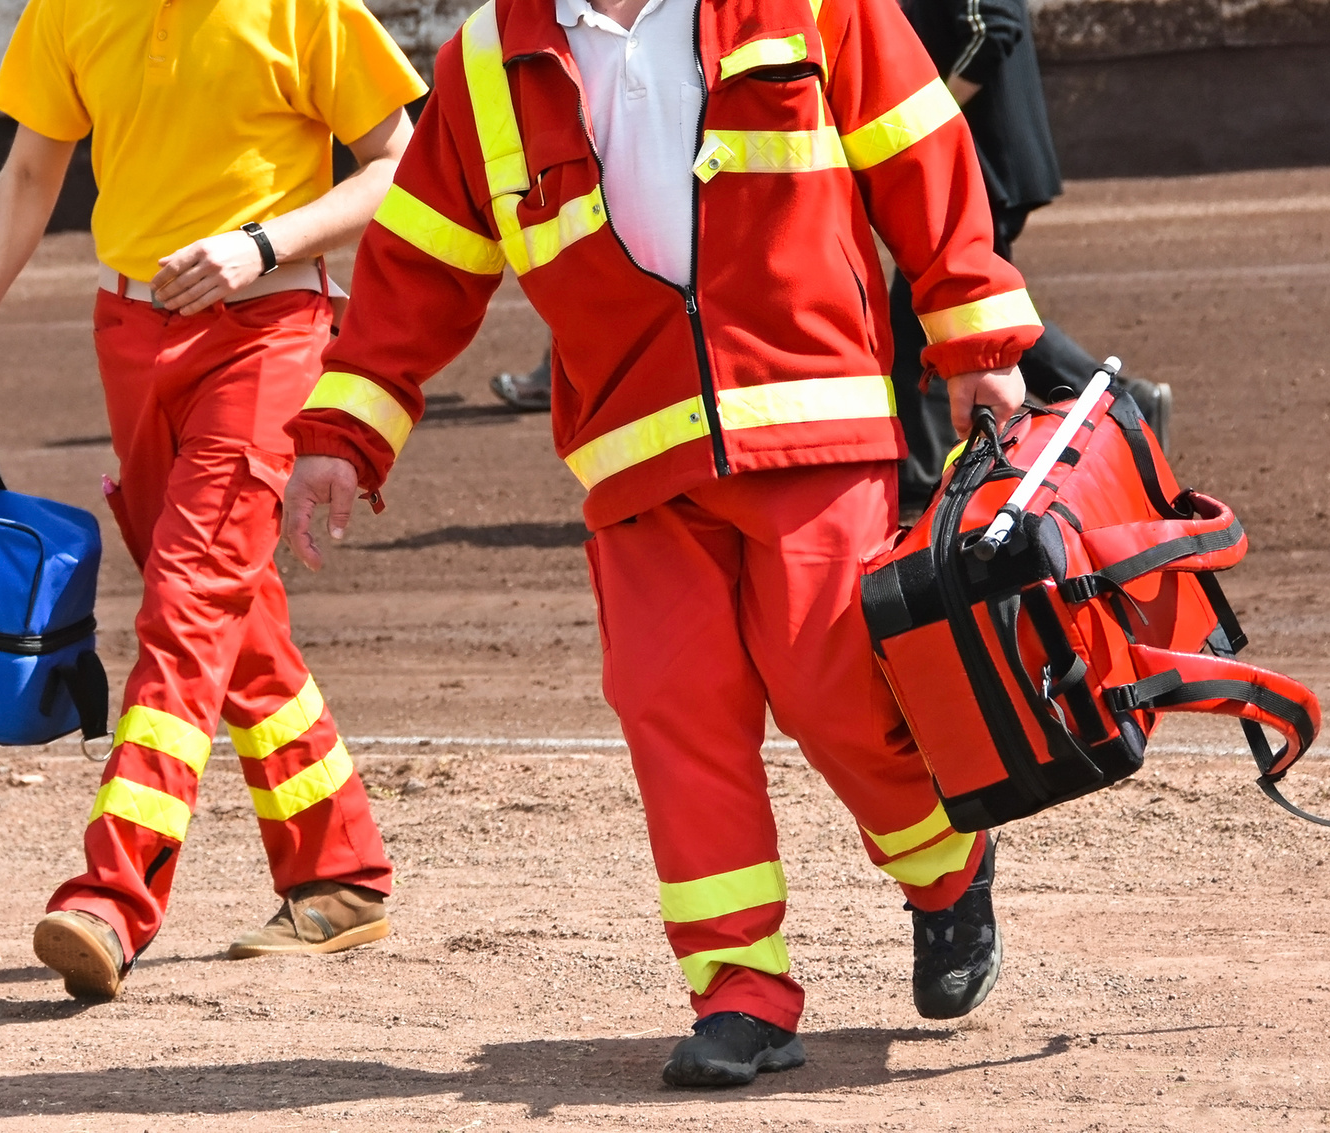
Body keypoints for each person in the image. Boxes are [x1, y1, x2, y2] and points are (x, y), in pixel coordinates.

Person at [282, 0, 1041, 1087]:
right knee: (670, 704)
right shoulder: (488, 58)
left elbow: (920, 147)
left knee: (836, 686)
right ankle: (740, 988)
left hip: (812, 416)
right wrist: (345, 429)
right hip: (634, 452)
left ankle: (946, 870)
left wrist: (975, 328)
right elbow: (420, 262)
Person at [0, 0, 427, 1000]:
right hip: (131, 330)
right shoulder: (67, 11)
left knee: (189, 604)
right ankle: (340, 874)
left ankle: (111, 895)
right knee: (234, 616)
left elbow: (400, 159)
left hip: (270, 326)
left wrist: (263, 244)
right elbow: (29, 171)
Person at [890, 0, 1172, 521]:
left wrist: (930, 125)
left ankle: (1114, 401)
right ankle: (922, 475)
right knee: (942, 312)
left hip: (979, 161)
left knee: (962, 307)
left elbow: (993, 27)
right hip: (975, 160)